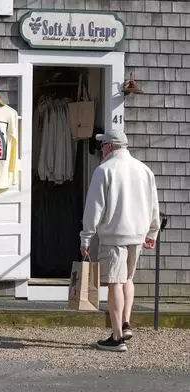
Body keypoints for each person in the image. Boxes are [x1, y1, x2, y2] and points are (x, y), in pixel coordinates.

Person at [80, 129, 160, 352]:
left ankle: (116, 338)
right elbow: (154, 205)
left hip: (114, 236)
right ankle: (125, 324)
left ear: (110, 146)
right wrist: (152, 233)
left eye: (102, 145)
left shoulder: (104, 170)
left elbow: (93, 208)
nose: (101, 149)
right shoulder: (145, 170)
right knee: (127, 279)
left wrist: (86, 236)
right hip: (137, 235)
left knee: (115, 282)